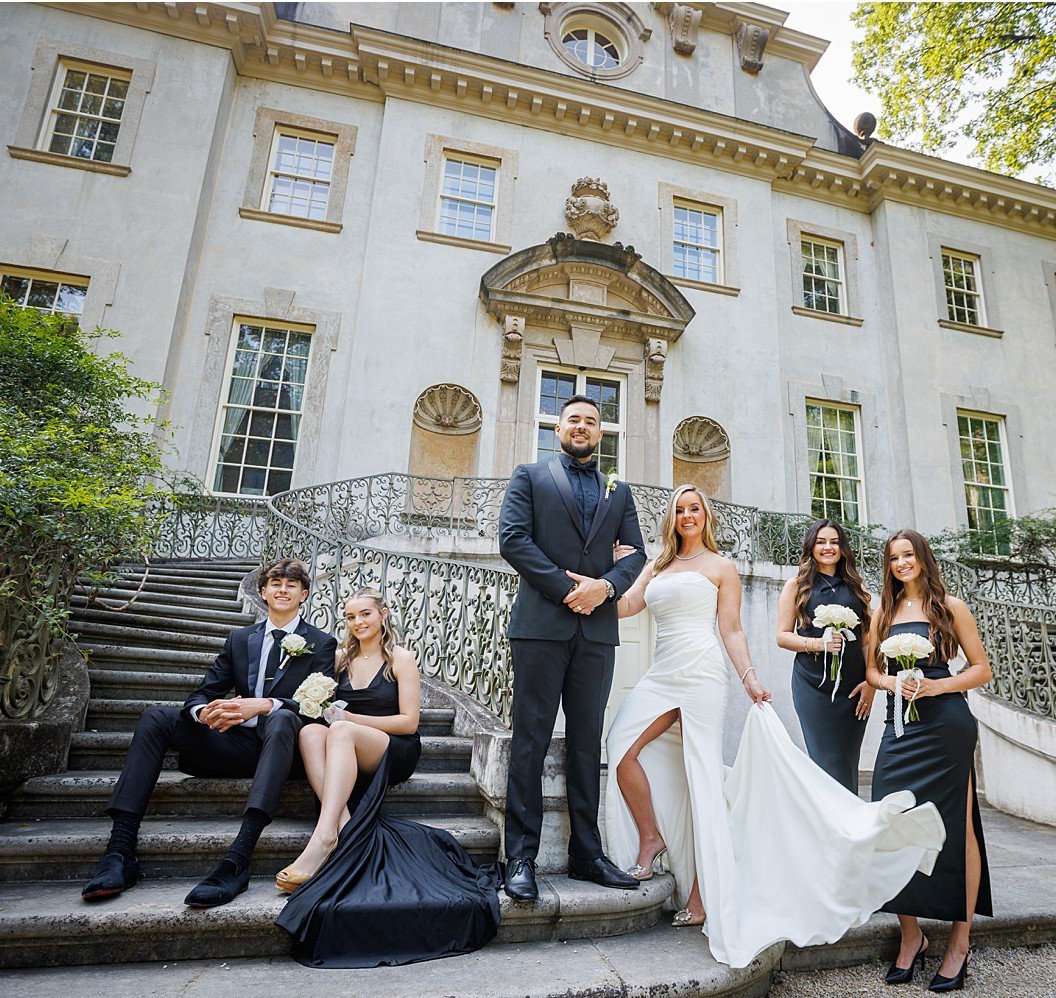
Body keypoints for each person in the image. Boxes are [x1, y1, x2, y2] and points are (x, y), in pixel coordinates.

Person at [603, 486, 945, 968]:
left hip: (702, 674)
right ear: (671, 518)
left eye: (695, 508)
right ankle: (651, 837)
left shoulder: (720, 567)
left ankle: (703, 894)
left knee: (702, 778)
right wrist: (613, 568)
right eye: (680, 509)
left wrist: (750, 678)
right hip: (661, 674)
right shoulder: (656, 566)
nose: (687, 516)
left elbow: (732, 629)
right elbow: (624, 607)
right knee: (621, 746)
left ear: (706, 516)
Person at [80, 558, 336, 908]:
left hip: (284, 751)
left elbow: (318, 709)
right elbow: (202, 693)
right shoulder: (240, 639)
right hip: (238, 747)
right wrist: (206, 713)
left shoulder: (321, 643)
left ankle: (238, 859)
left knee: (282, 719)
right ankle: (119, 853)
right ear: (262, 591)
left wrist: (263, 705)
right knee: (157, 717)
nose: (282, 589)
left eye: (291, 585)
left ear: (303, 594)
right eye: (275, 583)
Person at [273, 588, 500, 967]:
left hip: (395, 749)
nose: (358, 623)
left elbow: (409, 722)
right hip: (349, 748)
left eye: (365, 614)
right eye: (350, 617)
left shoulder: (400, 658)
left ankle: (325, 837)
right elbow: (320, 710)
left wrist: (348, 720)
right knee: (310, 732)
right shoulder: (340, 658)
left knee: (339, 731)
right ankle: (344, 826)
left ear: (383, 614)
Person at [496, 394, 649, 901]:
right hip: (540, 627)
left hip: (597, 632)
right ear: (557, 428)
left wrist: (604, 588)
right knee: (531, 740)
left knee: (587, 744)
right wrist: (569, 588)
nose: (581, 426)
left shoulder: (618, 491)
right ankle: (520, 858)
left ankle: (587, 854)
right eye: (573, 420)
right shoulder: (530, 477)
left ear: (601, 433)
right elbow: (514, 540)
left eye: (591, 421)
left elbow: (637, 555)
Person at [866, 529, 993, 992]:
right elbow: (871, 672)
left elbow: (981, 668)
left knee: (957, 830)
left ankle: (960, 942)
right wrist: (891, 684)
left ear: (923, 559)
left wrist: (937, 685)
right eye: (894, 558)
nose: (901, 563)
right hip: (900, 726)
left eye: (908, 555)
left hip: (945, 726)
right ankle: (911, 935)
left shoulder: (951, 608)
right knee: (891, 825)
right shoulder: (882, 612)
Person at [775, 521, 875, 792]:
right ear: (811, 546)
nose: (828, 547)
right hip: (813, 686)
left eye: (834, 542)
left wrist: (871, 683)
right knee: (826, 760)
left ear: (842, 548)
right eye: (821, 542)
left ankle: (849, 823)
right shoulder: (796, 586)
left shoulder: (856, 587)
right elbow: (783, 636)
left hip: (853, 688)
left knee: (846, 759)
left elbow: (866, 640)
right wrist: (819, 644)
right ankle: (829, 827)